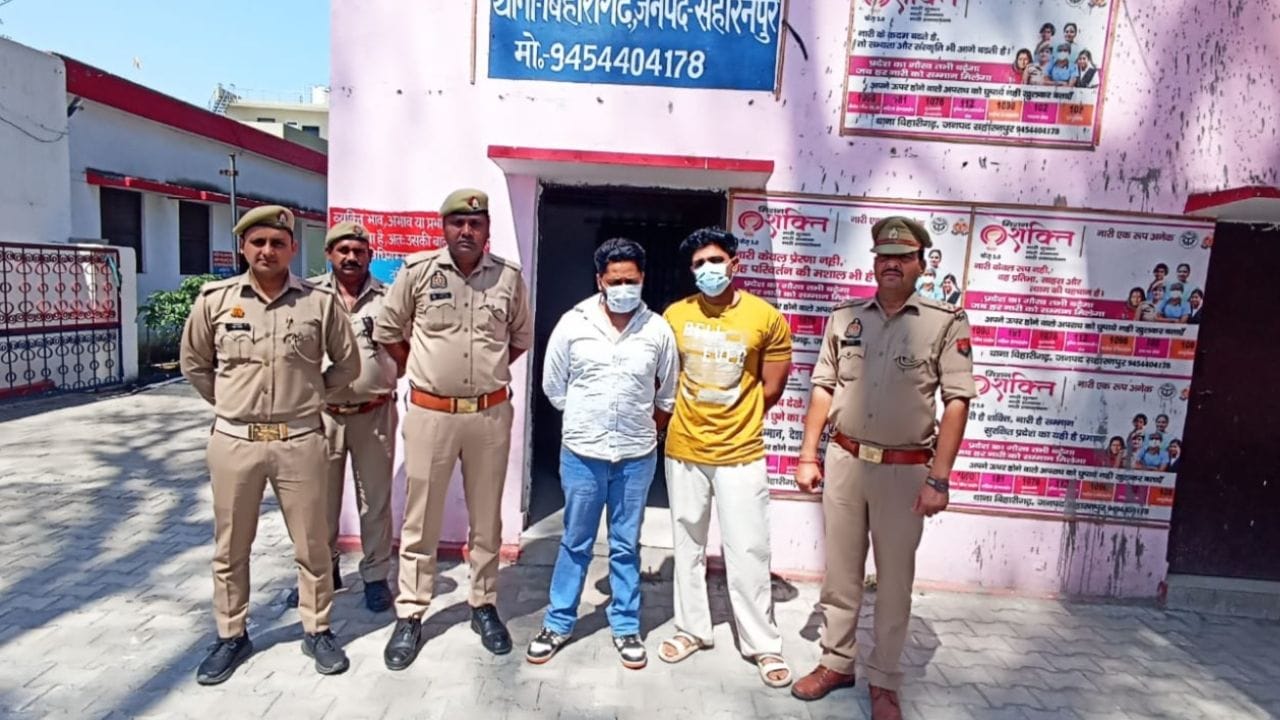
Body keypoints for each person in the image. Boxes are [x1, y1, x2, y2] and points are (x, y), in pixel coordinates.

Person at [790, 217, 976, 720]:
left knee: (893, 581)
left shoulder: (945, 322)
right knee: (840, 574)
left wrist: (939, 479)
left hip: (904, 469)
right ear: (874, 263)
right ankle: (836, 662)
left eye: (903, 256)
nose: (891, 264)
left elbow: (957, 401)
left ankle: (885, 680)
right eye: (883, 256)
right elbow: (823, 386)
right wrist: (808, 455)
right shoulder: (845, 317)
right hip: (845, 460)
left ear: (921, 263)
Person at [179, 205, 361, 684]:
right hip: (235, 441)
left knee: (313, 545)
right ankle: (231, 634)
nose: (267, 250)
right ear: (243, 247)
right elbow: (194, 362)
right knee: (231, 547)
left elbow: (348, 364)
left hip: (300, 440)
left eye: (278, 243)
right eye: (258, 242)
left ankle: (317, 628)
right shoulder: (215, 300)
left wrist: (311, 395)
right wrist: (230, 403)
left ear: (293, 248)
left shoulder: (318, 303)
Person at [374, 189, 533, 670]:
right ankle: (411, 612)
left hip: (488, 415)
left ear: (487, 230)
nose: (466, 231)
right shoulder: (418, 272)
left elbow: (519, 339)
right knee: (420, 517)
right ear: (443, 227)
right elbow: (388, 331)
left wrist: (484, 376)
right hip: (431, 414)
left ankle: (483, 603)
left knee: (487, 516)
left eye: (475, 223)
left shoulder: (508, 278)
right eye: (457, 222)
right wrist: (424, 372)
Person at [528, 238, 679, 669]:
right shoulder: (572, 324)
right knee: (575, 542)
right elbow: (553, 386)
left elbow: (667, 394)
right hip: (583, 454)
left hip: (635, 457)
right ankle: (558, 622)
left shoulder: (657, 330)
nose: (624, 288)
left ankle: (626, 625)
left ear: (642, 278)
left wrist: (641, 429)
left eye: (631, 280)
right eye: (615, 281)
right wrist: (587, 417)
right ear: (600, 281)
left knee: (626, 545)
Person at [658, 227, 795, 689]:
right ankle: (691, 629)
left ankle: (762, 643)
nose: (708, 270)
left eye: (715, 261)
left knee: (749, 548)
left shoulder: (765, 317)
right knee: (687, 545)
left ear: (735, 264)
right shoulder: (675, 315)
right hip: (684, 448)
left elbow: (772, 386)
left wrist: (739, 417)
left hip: (741, 451)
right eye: (699, 264)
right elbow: (665, 378)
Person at [284, 222, 399, 613]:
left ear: (370, 256)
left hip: (374, 413)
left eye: (359, 251)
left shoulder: (389, 297)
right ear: (329, 254)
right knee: (317, 501)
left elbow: (408, 345)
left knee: (375, 501)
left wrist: (386, 377)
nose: (351, 257)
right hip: (322, 414)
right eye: (343, 250)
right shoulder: (307, 296)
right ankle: (322, 572)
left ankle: (375, 577)